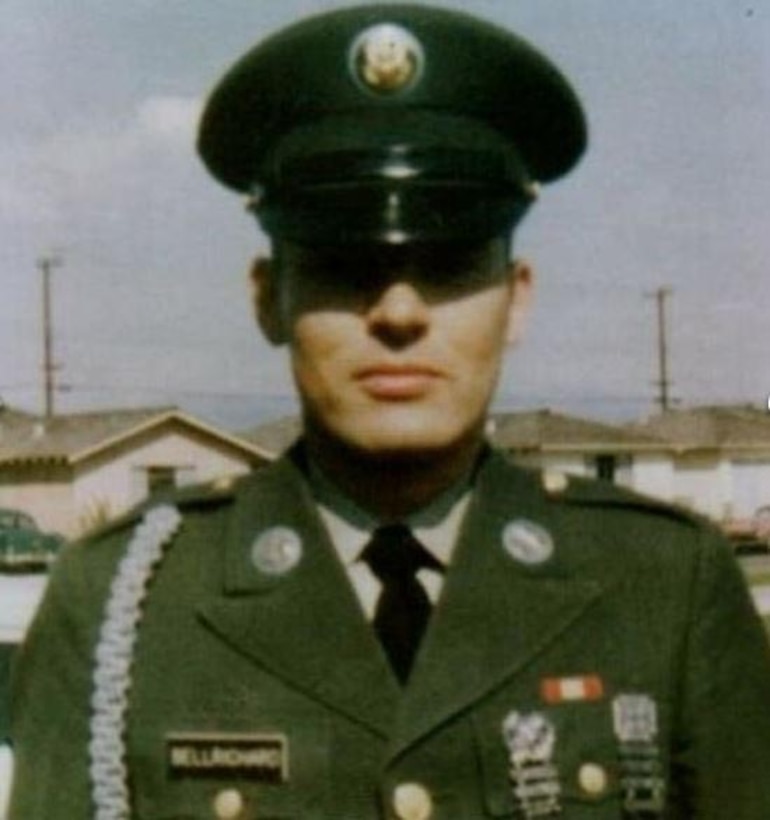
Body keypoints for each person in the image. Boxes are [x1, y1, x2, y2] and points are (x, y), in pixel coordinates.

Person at [9, 4, 770, 819]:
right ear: (269, 301)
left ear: (516, 303)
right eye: (346, 266)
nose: (400, 312)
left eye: (446, 264)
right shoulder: (126, 601)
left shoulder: (665, 588)